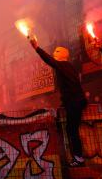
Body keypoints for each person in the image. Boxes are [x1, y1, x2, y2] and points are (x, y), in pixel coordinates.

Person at [29, 37, 87, 166]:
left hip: (74, 102)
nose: (53, 54)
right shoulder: (69, 67)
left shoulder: (62, 66)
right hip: (76, 101)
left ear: (61, 55)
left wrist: (37, 48)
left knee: (71, 130)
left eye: (56, 52)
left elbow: (49, 60)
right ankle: (77, 156)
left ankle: (78, 157)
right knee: (72, 128)